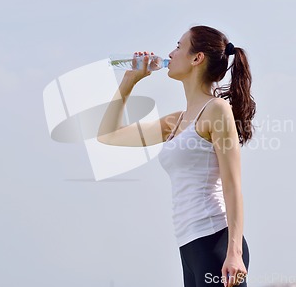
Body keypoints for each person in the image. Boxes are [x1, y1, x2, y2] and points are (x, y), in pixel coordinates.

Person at [97, 25, 256, 287]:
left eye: (179, 46)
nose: (171, 53)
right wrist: (129, 81)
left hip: (216, 241)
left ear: (197, 58)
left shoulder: (216, 110)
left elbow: (232, 185)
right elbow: (108, 135)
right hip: (189, 245)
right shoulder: (176, 121)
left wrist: (235, 253)